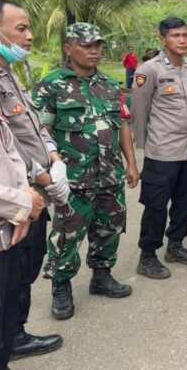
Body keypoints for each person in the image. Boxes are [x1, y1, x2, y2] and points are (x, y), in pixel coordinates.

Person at [33, 23, 139, 321]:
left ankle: (101, 276)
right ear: (68, 48)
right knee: (66, 236)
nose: (94, 51)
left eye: (97, 45)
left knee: (109, 229)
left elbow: (123, 125)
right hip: (74, 181)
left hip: (110, 176)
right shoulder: (51, 85)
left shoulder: (108, 84)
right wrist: (47, 174)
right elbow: (40, 132)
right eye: (86, 45)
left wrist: (131, 163)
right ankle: (61, 287)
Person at [0, 0, 66, 364]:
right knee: (8, 279)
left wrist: (54, 155)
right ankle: (7, 343)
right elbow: (8, 145)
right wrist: (43, 177)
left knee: (27, 267)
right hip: (14, 199)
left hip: (33, 191)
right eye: (21, 28)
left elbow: (32, 126)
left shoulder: (8, 74)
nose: (30, 36)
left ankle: (15, 334)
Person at [0, 8, 47, 370]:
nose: (28, 36)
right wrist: (25, 203)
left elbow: (8, 149)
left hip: (5, 220)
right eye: (20, 28)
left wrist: (39, 176)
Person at [132, 17, 187, 279]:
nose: (182, 40)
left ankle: (175, 246)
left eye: (185, 35)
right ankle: (147, 255)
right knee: (156, 205)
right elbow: (139, 113)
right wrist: (143, 151)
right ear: (163, 40)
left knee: (186, 201)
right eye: (175, 36)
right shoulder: (148, 71)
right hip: (162, 152)